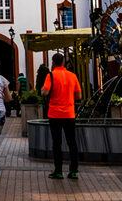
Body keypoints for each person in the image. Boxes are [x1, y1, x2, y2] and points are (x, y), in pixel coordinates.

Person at [42, 52, 82, 180]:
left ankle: (58, 171)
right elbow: (79, 96)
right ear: (64, 62)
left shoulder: (51, 75)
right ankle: (74, 171)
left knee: (57, 143)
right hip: (69, 114)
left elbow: (45, 92)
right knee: (72, 142)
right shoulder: (73, 76)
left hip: (55, 114)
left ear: (53, 63)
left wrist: (43, 91)